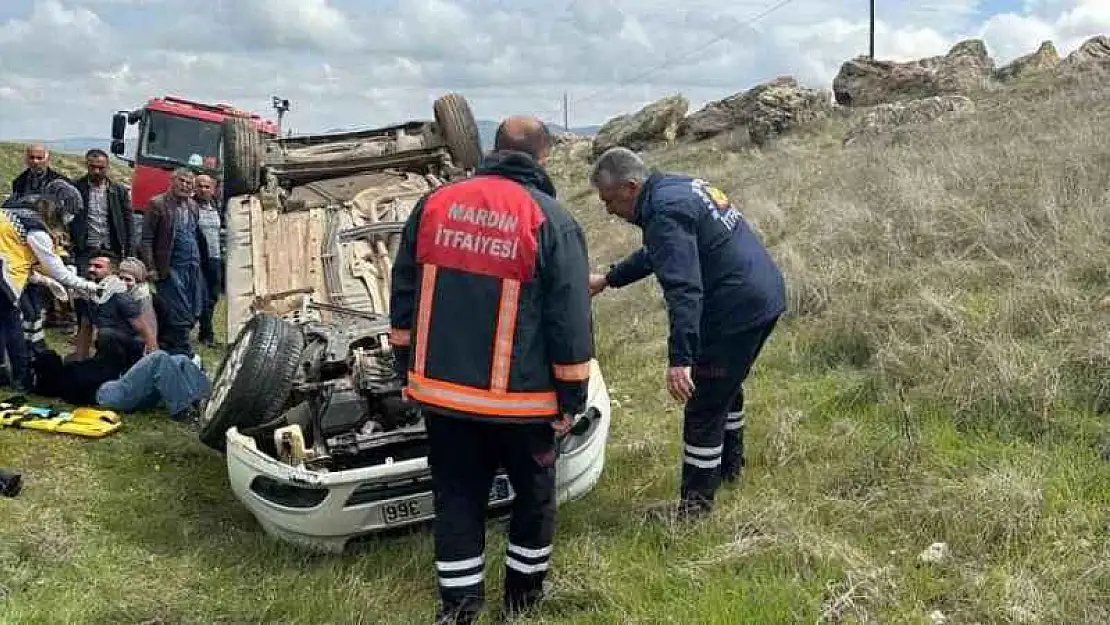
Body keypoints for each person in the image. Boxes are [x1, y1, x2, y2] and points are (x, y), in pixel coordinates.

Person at [388, 116, 594, 624]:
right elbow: (569, 319)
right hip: (523, 405)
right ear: (542, 158)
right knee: (534, 499)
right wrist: (572, 399)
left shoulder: (434, 205)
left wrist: (406, 371)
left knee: (457, 499)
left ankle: (458, 609)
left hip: (443, 397)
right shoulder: (552, 220)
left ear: (493, 150)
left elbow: (405, 295)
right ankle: (523, 603)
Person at [587, 146, 787, 519]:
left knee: (704, 404)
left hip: (736, 309)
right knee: (727, 386)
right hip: (764, 296)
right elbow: (662, 252)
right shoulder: (675, 188)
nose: (608, 210)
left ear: (630, 187)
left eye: (610, 200)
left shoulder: (663, 211)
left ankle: (694, 510)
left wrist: (682, 360)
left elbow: (684, 289)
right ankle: (730, 469)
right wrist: (610, 278)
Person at [0, 189, 101, 390]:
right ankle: (22, 377)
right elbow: (57, 271)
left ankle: (2, 372)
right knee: (12, 326)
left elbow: (20, 257)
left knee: (2, 323)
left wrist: (46, 282)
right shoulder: (37, 230)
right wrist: (88, 286)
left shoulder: (14, 213)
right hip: (4, 275)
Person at [139, 167, 209, 358]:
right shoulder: (157, 204)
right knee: (177, 311)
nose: (185, 186)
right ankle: (181, 349)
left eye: (189, 183)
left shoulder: (193, 207)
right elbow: (146, 239)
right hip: (170, 266)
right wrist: (151, 268)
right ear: (172, 181)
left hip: (192, 267)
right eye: (182, 181)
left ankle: (169, 344)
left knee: (194, 308)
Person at [193, 174, 223, 346]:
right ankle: (206, 334)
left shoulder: (216, 206)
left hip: (215, 258)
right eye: (200, 186)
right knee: (202, 297)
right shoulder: (190, 207)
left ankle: (205, 331)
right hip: (199, 258)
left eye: (207, 187)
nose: (204, 190)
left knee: (213, 296)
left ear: (213, 189)